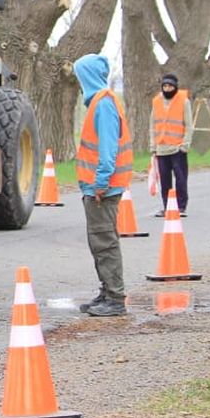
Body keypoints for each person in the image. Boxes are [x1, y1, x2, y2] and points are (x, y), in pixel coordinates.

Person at [74, 53, 134, 317]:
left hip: (103, 189)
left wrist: (100, 183)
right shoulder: (100, 102)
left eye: (79, 75)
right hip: (98, 188)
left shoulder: (103, 105)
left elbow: (107, 151)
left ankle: (115, 297)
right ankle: (107, 291)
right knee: (99, 242)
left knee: (105, 242)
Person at [149, 72, 192, 217]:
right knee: (165, 180)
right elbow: (152, 125)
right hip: (162, 148)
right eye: (165, 86)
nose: (167, 89)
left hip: (178, 148)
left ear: (175, 87)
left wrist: (185, 144)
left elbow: (188, 125)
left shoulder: (183, 101)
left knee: (180, 178)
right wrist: (153, 146)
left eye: (170, 86)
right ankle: (167, 206)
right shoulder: (156, 102)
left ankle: (181, 206)